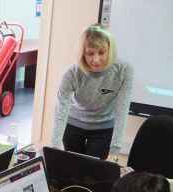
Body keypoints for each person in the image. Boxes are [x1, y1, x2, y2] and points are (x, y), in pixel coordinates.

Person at [50, 24, 134, 161]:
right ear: (83, 53)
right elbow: (61, 111)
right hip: (73, 125)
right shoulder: (71, 73)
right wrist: (53, 148)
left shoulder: (124, 71)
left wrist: (114, 151)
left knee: (92, 170)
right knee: (72, 168)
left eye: (102, 52)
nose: (96, 60)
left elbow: (122, 111)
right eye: (90, 53)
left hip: (103, 128)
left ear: (110, 50)